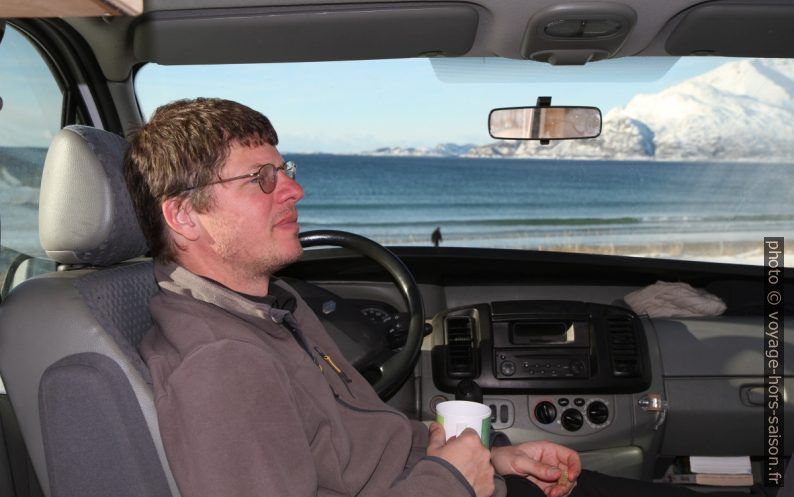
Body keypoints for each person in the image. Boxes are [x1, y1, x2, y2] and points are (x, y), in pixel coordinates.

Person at [124, 98, 740, 497]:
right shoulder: (222, 365)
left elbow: (352, 441)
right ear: (184, 215)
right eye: (262, 179)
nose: (296, 190)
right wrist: (451, 479)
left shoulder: (271, 304)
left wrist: (494, 460)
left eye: (284, 170)